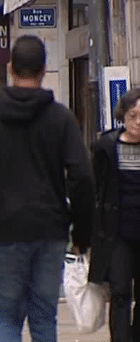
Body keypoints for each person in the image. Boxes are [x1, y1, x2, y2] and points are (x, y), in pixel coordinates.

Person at [0, 35, 94, 341]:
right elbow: (82, 177)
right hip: (49, 231)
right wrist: (82, 234)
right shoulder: (60, 118)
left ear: (10, 68)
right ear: (44, 69)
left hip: (2, 232)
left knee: (4, 317)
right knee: (44, 318)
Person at [89, 88, 140, 341]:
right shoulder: (107, 146)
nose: (138, 122)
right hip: (117, 232)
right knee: (120, 291)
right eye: (133, 115)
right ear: (124, 116)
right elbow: (97, 188)